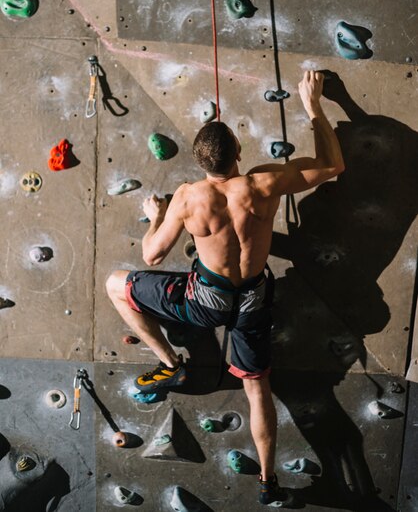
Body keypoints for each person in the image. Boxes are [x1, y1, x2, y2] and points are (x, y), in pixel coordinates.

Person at [106, 70, 345, 505]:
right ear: (238, 151)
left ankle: (169, 363)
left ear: (201, 164)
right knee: (258, 389)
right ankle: (269, 481)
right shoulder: (263, 183)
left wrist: (156, 216)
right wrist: (314, 108)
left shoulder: (188, 197)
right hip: (253, 300)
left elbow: (151, 257)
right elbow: (332, 166)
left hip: (204, 302)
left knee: (115, 284)